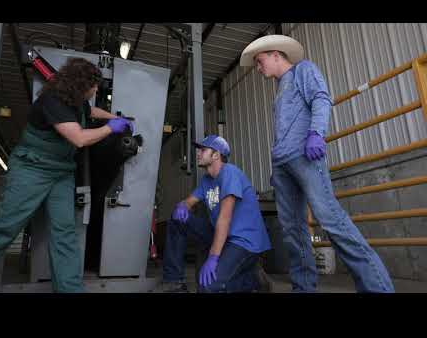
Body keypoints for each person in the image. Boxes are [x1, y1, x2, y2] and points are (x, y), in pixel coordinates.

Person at [0, 57, 133, 293]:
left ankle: (70, 289)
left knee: (65, 232)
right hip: (32, 169)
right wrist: (110, 129)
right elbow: (79, 138)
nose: (96, 89)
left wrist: (115, 118)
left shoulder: (77, 101)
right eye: (93, 85)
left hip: (61, 173)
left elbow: (90, 110)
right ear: (79, 85)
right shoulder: (52, 102)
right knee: (4, 227)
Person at [240, 34, 394, 293]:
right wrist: (277, 165)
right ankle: (303, 287)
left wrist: (316, 134)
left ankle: (377, 287)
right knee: (292, 229)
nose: (258, 68)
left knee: (330, 218)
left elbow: (321, 99)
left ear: (276, 54)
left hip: (305, 157)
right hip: (283, 165)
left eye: (260, 61)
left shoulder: (304, 70)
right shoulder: (279, 92)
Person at [162, 135, 271, 293]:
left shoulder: (230, 173)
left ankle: (253, 280)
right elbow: (190, 201)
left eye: (203, 150)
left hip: (244, 242)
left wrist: (213, 258)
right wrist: (182, 206)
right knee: (177, 219)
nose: (198, 153)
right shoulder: (206, 180)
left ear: (216, 155)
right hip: (222, 236)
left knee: (207, 288)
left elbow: (224, 219)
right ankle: (174, 281)